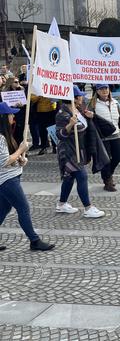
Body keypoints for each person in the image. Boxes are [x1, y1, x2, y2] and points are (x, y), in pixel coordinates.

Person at [0, 102, 54, 251]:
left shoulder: (5, 135)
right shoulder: (0, 137)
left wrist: (20, 160)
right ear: (3, 117)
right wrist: (21, 150)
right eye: (10, 114)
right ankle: (34, 240)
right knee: (23, 208)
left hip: (10, 177)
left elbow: (9, 158)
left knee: (3, 210)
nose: (13, 116)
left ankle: (34, 241)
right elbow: (4, 161)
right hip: (6, 180)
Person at [55, 87, 105, 218]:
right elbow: (60, 134)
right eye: (80, 96)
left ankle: (61, 204)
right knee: (82, 176)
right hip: (68, 151)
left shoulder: (78, 109)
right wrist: (70, 125)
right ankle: (88, 208)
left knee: (69, 178)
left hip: (79, 149)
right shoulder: (62, 114)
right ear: (75, 98)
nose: (82, 97)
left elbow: (85, 127)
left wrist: (89, 117)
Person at [89, 84, 120, 192]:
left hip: (116, 134)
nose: (104, 91)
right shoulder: (93, 104)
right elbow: (87, 118)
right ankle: (107, 181)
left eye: (106, 88)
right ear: (97, 91)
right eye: (101, 89)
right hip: (102, 137)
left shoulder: (115, 102)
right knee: (106, 160)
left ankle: (108, 175)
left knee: (118, 156)